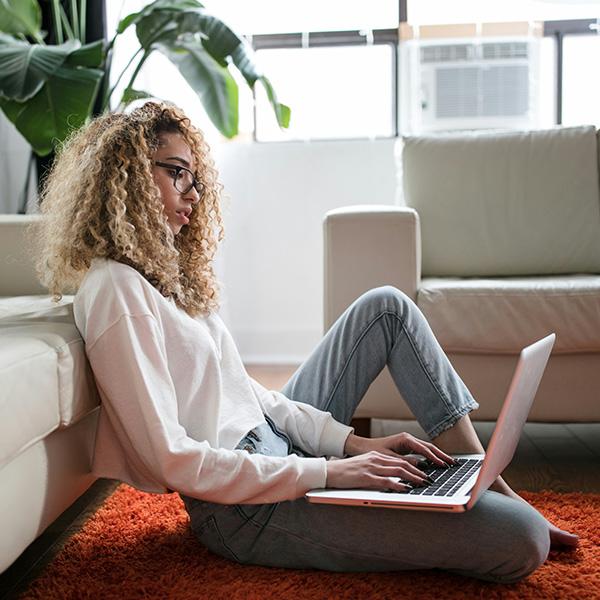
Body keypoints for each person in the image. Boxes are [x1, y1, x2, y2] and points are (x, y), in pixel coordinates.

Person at [33, 101, 577, 584]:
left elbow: (248, 394)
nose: (192, 195)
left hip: (275, 447)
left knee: (385, 306)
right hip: (243, 509)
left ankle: (480, 476)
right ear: (125, 176)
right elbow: (172, 459)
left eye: (195, 178)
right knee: (522, 539)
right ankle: (485, 499)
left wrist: (349, 445)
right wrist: (328, 472)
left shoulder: (162, 275)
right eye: (176, 174)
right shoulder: (115, 290)